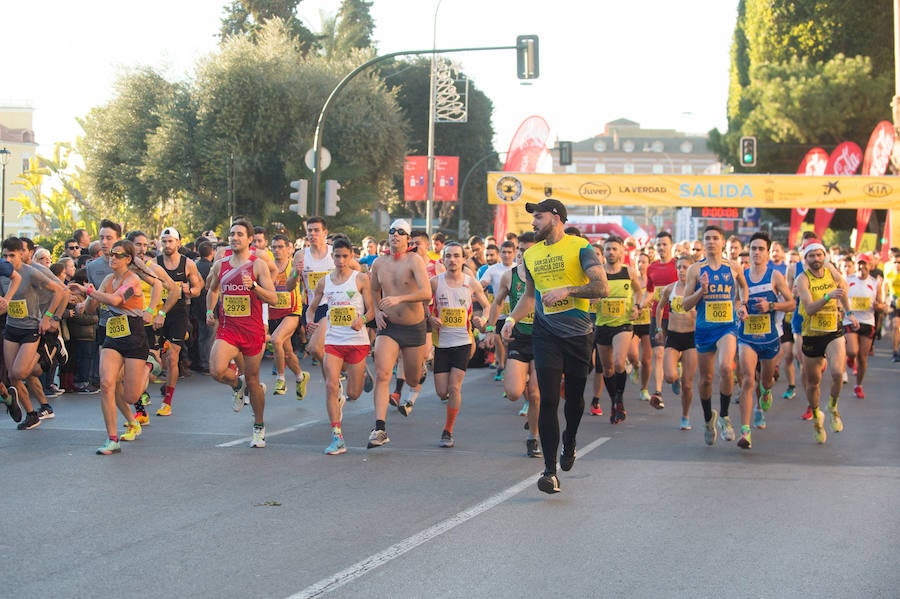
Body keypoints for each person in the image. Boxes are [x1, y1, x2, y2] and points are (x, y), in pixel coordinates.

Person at [502, 199, 608, 494]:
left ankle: (570, 440)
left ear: (556, 217)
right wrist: (511, 319)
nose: (533, 223)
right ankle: (549, 471)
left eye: (538, 217)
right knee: (548, 399)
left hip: (578, 335)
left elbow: (602, 287)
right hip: (545, 334)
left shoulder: (580, 247)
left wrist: (568, 290)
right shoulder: (532, 255)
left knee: (573, 399)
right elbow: (531, 297)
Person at [70, 240, 164, 454]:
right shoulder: (107, 279)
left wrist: (89, 291)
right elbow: (91, 308)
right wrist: (82, 301)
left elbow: (115, 300)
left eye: (118, 255)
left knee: (130, 396)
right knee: (107, 385)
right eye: (111, 254)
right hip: (112, 335)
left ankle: (148, 366)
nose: (112, 257)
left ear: (128, 259)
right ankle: (112, 439)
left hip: (134, 336)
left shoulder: (132, 281)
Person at [206, 220, 279, 448]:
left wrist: (254, 287)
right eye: (232, 234)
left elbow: (273, 298)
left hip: (252, 331)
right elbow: (212, 290)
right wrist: (210, 310)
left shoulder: (258, 266)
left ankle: (258, 426)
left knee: (254, 380)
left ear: (249, 239)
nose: (235, 237)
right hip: (228, 329)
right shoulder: (221, 265)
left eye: (240, 234)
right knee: (216, 370)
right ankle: (237, 386)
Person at [367, 219, 432, 448]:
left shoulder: (414, 260)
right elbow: (373, 289)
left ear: (407, 239)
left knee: (413, 379)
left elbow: (426, 292)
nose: (395, 235)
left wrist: (399, 298)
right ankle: (380, 428)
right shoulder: (378, 262)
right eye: (392, 231)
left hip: (414, 328)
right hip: (390, 327)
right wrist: (376, 311)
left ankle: (420, 369)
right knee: (383, 373)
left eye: (401, 232)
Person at [306, 237, 374, 455]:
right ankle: (337, 437)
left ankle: (359, 379)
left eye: (345, 256)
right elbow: (312, 307)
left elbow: (372, 310)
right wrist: (310, 322)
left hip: (357, 342)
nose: (341, 260)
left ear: (351, 256)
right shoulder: (324, 282)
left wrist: (361, 320)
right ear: (332, 257)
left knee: (354, 394)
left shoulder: (361, 279)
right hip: (334, 341)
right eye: (337, 256)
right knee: (330, 386)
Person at [682, 225, 749, 446]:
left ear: (723, 242)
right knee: (706, 379)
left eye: (715, 238)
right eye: (707, 238)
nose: (711, 242)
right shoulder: (695, 270)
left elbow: (743, 288)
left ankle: (725, 416)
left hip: (726, 326)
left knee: (725, 367)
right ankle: (707, 419)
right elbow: (685, 304)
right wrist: (701, 290)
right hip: (704, 328)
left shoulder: (733, 267)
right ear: (703, 243)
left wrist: (742, 305)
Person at [429, 241, 491, 448]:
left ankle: (448, 431)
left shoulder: (470, 282)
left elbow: (487, 306)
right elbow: (422, 305)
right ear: (443, 259)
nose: (452, 260)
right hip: (442, 343)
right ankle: (448, 412)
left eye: (457, 256)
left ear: (464, 259)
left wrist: (482, 320)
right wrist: (430, 318)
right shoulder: (435, 283)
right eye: (448, 256)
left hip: (463, 342)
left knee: (454, 387)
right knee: (441, 392)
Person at [735, 232, 795, 449]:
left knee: (765, 381)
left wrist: (771, 306)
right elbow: (735, 303)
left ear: (768, 253)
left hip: (770, 338)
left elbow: (791, 304)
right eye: (753, 249)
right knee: (748, 379)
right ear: (748, 251)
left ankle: (766, 394)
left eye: (761, 249)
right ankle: (745, 431)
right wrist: (740, 309)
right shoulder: (741, 276)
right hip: (747, 337)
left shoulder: (775, 277)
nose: (757, 252)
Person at [486, 231, 541, 457]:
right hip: (518, 337)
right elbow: (497, 302)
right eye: (522, 251)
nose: (524, 255)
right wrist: (490, 329)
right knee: (513, 393)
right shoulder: (510, 276)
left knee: (537, 394)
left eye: (530, 251)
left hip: (542, 339)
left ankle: (533, 438)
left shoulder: (545, 276)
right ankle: (528, 398)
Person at [795, 241, 855, 443]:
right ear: (806, 259)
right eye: (811, 256)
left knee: (838, 373)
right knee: (813, 382)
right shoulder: (802, 279)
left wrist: (850, 313)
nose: (816, 259)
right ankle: (817, 418)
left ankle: (833, 407)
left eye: (819, 255)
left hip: (833, 331)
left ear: (825, 256)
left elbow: (843, 290)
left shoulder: (831, 271)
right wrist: (829, 296)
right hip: (812, 335)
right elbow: (810, 309)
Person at [2, 237, 66, 430]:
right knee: (13, 375)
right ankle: (31, 414)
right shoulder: (3, 273)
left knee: (19, 372)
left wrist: (49, 317)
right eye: (5, 255)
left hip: (31, 328)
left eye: (12, 255)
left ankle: (52, 348)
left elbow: (59, 291)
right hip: (11, 327)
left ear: (21, 254)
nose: (8, 259)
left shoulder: (32, 273)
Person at [154, 227, 204, 416]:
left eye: (170, 241)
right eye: (164, 241)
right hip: (159, 313)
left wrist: (189, 289)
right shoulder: (154, 263)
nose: (167, 245)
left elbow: (199, 286)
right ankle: (163, 383)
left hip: (179, 313)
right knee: (158, 358)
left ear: (178, 243)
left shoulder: (188, 264)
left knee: (173, 356)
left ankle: (167, 401)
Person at [594, 235, 643, 423]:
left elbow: (639, 291)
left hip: (623, 324)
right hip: (603, 324)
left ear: (622, 251)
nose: (611, 252)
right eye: (608, 249)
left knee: (619, 363)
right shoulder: (598, 273)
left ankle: (620, 400)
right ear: (603, 252)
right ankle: (614, 399)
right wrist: (593, 299)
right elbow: (589, 293)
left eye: (615, 249)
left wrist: (637, 306)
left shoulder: (629, 272)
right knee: (607, 369)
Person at [656, 254, 698, 431]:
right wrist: (659, 329)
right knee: (670, 376)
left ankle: (685, 416)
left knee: (687, 385)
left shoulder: (697, 290)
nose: (681, 271)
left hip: (691, 339)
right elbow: (659, 308)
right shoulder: (669, 289)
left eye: (685, 267)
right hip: (673, 337)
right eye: (679, 267)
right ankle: (675, 379)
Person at [268, 234, 309, 399]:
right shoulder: (268, 268)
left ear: (288, 249)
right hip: (273, 313)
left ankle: (281, 379)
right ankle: (300, 376)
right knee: (288, 353)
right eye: (274, 247)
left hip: (292, 312)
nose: (277, 250)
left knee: (276, 340)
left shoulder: (293, 266)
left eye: (280, 247)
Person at [645, 232, 678, 409]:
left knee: (672, 355)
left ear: (671, 246)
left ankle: (675, 374)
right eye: (658, 245)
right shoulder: (651, 268)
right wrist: (640, 304)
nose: (661, 248)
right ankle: (658, 392)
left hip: (677, 318)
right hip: (657, 316)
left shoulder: (678, 266)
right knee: (658, 353)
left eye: (664, 244)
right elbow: (649, 291)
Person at [843, 255, 883, 399]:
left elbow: (881, 303)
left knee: (863, 357)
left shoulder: (874, 282)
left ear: (869, 266)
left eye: (865, 264)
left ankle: (858, 385)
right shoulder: (848, 280)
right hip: (851, 320)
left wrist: (879, 306)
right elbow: (841, 299)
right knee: (853, 351)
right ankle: (850, 358)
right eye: (860, 264)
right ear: (856, 265)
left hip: (868, 321)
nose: (862, 267)